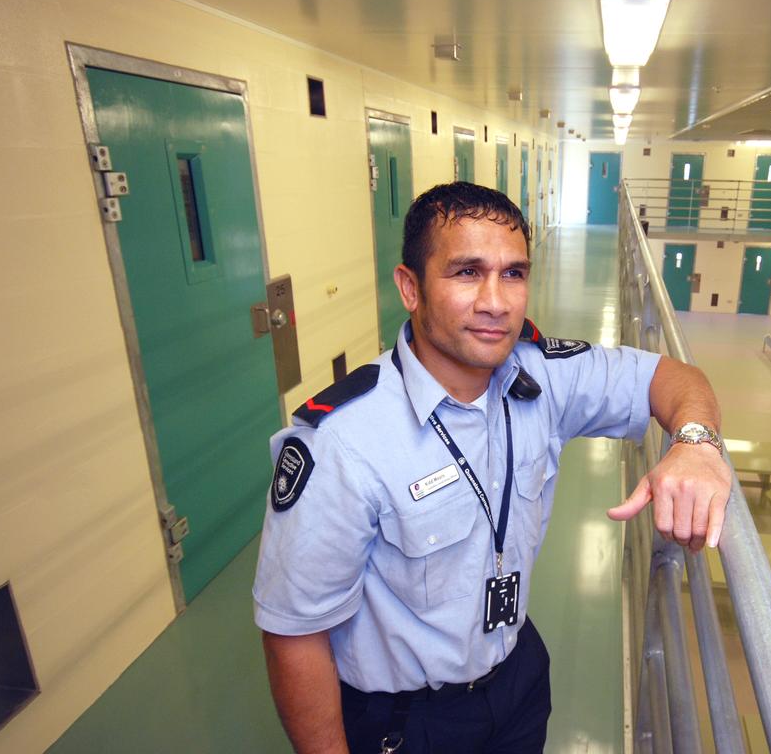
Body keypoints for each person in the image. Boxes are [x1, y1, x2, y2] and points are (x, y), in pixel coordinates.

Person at [253, 182, 731, 754]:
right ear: (411, 287)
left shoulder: (541, 377)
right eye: (466, 272)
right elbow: (293, 635)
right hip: (407, 721)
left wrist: (696, 444)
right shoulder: (342, 442)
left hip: (517, 678)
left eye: (513, 273)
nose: (496, 301)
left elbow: (674, 378)